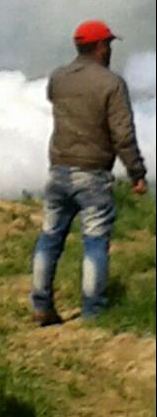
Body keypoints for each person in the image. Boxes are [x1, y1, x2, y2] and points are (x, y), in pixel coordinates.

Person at [29, 20, 147, 327]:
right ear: (100, 47)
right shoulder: (111, 84)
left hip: (58, 170)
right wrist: (137, 172)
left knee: (50, 237)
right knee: (94, 242)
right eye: (107, 44)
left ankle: (41, 303)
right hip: (92, 173)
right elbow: (123, 134)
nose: (109, 49)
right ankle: (93, 313)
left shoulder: (58, 78)